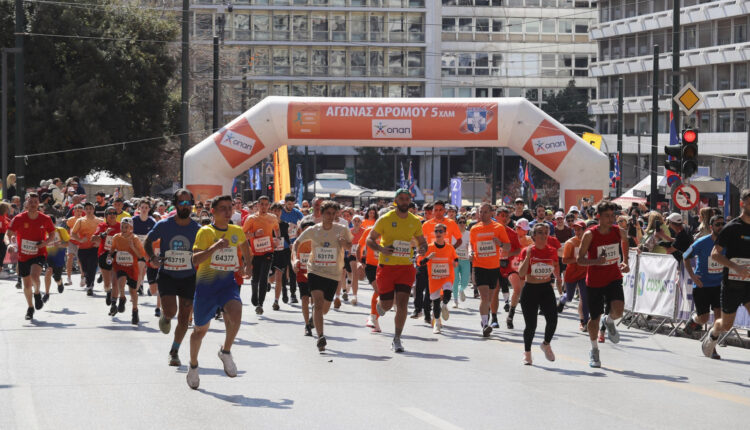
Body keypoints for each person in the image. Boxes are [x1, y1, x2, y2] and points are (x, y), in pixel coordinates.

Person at [187, 195, 252, 389]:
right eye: (223, 208)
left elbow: (245, 246)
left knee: (236, 312)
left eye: (230, 207)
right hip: (206, 288)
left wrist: (247, 264)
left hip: (227, 285)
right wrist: (214, 247)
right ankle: (193, 365)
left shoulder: (236, 230)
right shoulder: (205, 232)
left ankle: (226, 351)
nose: (227, 211)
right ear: (213, 212)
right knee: (199, 331)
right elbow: (195, 260)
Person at [145, 188, 201, 367]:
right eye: (182, 203)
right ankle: (166, 316)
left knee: (184, 317)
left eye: (188, 203)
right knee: (171, 311)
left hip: (189, 276)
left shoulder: (198, 229)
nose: (185, 206)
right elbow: (148, 241)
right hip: (168, 275)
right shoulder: (164, 225)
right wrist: (152, 257)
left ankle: (174, 351)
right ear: (175, 205)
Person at [367, 189, 428, 352]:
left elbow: (422, 242)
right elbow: (369, 239)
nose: (404, 201)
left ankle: (397, 338)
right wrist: (381, 249)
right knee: (387, 305)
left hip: (406, 267)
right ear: (396, 201)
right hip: (386, 267)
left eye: (407, 199)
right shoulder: (385, 219)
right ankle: (381, 304)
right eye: (401, 198)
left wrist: (423, 248)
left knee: (402, 304)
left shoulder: (415, 221)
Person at [292, 200, 352, 352]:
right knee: (318, 304)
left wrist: (344, 243)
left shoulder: (342, 229)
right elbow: (296, 243)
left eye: (333, 213)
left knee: (324, 309)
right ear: (322, 214)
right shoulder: (314, 229)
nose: (330, 216)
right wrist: (295, 259)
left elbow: (349, 247)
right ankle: (321, 337)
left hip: (333, 273)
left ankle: (315, 316)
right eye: (327, 213)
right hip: (315, 271)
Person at [577, 200, 630, 368]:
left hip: (613, 276)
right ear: (598, 216)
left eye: (612, 215)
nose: (611, 219)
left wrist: (625, 261)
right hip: (595, 281)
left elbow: (625, 240)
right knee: (594, 319)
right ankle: (594, 350)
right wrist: (596, 261)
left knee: (619, 311)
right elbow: (580, 260)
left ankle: (609, 321)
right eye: (607, 216)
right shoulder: (590, 234)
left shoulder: (617, 231)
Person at [702, 189, 750, 358]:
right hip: (732, 284)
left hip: (749, 283)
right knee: (726, 325)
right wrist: (735, 267)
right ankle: (714, 333)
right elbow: (715, 254)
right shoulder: (731, 228)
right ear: (742, 204)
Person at [8, 193, 56, 320]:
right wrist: (10, 244)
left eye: (35, 202)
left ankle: (37, 293)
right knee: (27, 286)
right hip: (23, 255)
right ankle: (30, 307)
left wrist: (45, 243)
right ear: (26, 203)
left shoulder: (45, 218)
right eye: (31, 202)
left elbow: (52, 234)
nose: (33, 204)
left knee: (35, 276)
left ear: (38, 203)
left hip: (39, 253)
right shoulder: (18, 218)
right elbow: (8, 234)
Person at [683, 215, 724, 359]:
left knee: (719, 319)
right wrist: (693, 276)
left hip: (718, 285)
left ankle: (711, 347)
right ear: (711, 227)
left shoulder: (727, 242)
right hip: (702, 285)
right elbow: (685, 256)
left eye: (723, 224)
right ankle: (694, 319)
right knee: (704, 319)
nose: (721, 227)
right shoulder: (702, 242)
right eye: (718, 224)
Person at [518, 223, 560, 365]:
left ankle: (546, 344)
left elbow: (555, 266)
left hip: (546, 288)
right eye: (540, 232)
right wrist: (528, 257)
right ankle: (527, 353)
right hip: (530, 289)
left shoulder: (552, 250)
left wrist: (559, 279)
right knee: (531, 325)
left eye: (546, 232)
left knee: (553, 320)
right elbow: (521, 273)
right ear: (534, 236)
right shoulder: (527, 250)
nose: (544, 235)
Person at [469, 202, 511, 337]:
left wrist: (500, 244)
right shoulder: (474, 228)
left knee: (490, 298)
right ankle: (485, 325)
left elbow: (508, 247)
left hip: (493, 267)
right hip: (479, 266)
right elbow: (471, 245)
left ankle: (484, 318)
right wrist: (470, 252)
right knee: (484, 296)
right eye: (480, 212)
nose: (482, 214)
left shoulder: (498, 227)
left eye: (485, 212)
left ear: (491, 213)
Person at [242, 195, 279, 315]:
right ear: (257, 205)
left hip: (268, 251)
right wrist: (254, 234)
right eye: (261, 204)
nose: (263, 207)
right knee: (256, 278)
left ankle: (260, 304)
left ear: (269, 206)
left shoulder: (273, 218)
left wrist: (277, 239)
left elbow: (277, 229)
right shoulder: (251, 218)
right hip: (255, 253)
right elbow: (242, 235)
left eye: (266, 204)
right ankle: (254, 294)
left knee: (264, 277)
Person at [421, 223, 458, 334]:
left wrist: (455, 263)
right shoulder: (429, 247)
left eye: (440, 231)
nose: (438, 233)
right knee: (436, 302)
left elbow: (455, 258)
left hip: (447, 276)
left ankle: (445, 305)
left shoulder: (450, 247)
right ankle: (437, 323)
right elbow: (420, 262)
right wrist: (428, 257)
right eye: (436, 231)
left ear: (445, 233)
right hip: (434, 279)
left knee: (447, 294)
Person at [109, 218, 147, 324]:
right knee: (121, 282)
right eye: (122, 226)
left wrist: (132, 247)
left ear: (131, 228)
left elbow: (140, 255)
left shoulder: (135, 239)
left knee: (132, 291)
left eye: (126, 227)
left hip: (132, 267)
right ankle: (122, 298)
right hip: (120, 264)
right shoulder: (116, 237)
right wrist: (109, 255)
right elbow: (112, 248)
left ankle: (135, 311)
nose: (124, 229)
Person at [558, 220, 589, 332]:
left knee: (584, 298)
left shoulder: (589, 241)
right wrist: (578, 259)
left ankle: (585, 322)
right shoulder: (570, 243)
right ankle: (563, 300)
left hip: (584, 274)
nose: (577, 232)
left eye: (579, 229)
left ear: (585, 230)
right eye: (575, 230)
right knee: (570, 297)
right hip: (572, 274)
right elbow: (564, 260)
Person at [71, 202, 103, 295]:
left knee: (92, 267)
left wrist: (99, 242)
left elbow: (104, 234)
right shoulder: (80, 221)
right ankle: (87, 279)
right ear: (84, 210)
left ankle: (90, 286)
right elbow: (73, 233)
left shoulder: (100, 221)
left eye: (91, 208)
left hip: (94, 248)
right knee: (85, 269)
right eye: (87, 209)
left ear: (94, 209)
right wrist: (80, 240)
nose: (89, 210)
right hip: (83, 248)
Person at [506, 218, 533, 329]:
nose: (526, 231)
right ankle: (511, 315)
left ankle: (511, 312)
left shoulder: (529, 240)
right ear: (517, 228)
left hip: (523, 269)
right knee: (517, 289)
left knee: (520, 292)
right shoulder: (510, 237)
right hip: (511, 268)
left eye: (527, 229)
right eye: (523, 229)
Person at [291, 221, 315, 336]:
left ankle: (313, 317)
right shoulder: (297, 243)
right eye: (305, 230)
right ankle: (307, 325)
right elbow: (293, 258)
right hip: (302, 274)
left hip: (315, 274)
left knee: (314, 299)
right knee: (305, 298)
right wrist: (294, 264)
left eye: (310, 230)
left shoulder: (318, 242)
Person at [93, 207, 120, 309]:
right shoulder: (102, 226)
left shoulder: (121, 226)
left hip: (117, 254)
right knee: (107, 283)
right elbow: (93, 238)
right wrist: (104, 234)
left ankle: (114, 303)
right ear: (106, 216)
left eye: (114, 213)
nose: (112, 215)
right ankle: (108, 291)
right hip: (104, 254)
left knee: (115, 281)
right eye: (110, 213)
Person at [280, 194, 304, 304]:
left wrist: (298, 226)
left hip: (293, 246)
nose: (290, 206)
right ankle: (284, 291)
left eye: (292, 204)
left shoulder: (297, 213)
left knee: (293, 270)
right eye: (288, 204)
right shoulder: (280, 212)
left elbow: (303, 223)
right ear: (285, 203)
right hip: (282, 245)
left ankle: (293, 294)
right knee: (283, 270)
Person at [359, 223, 382, 332]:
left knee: (382, 294)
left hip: (385, 265)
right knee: (378, 290)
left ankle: (375, 322)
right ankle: (372, 316)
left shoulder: (390, 231)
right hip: (371, 266)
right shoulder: (369, 230)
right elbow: (360, 246)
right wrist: (360, 262)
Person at [452, 216, 471, 307]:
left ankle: (461, 289)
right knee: (455, 280)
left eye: (464, 222)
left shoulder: (469, 234)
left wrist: (469, 250)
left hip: (465, 260)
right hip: (455, 260)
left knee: (465, 281)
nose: (462, 224)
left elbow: (472, 245)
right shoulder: (453, 234)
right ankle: (455, 300)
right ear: (457, 223)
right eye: (460, 222)